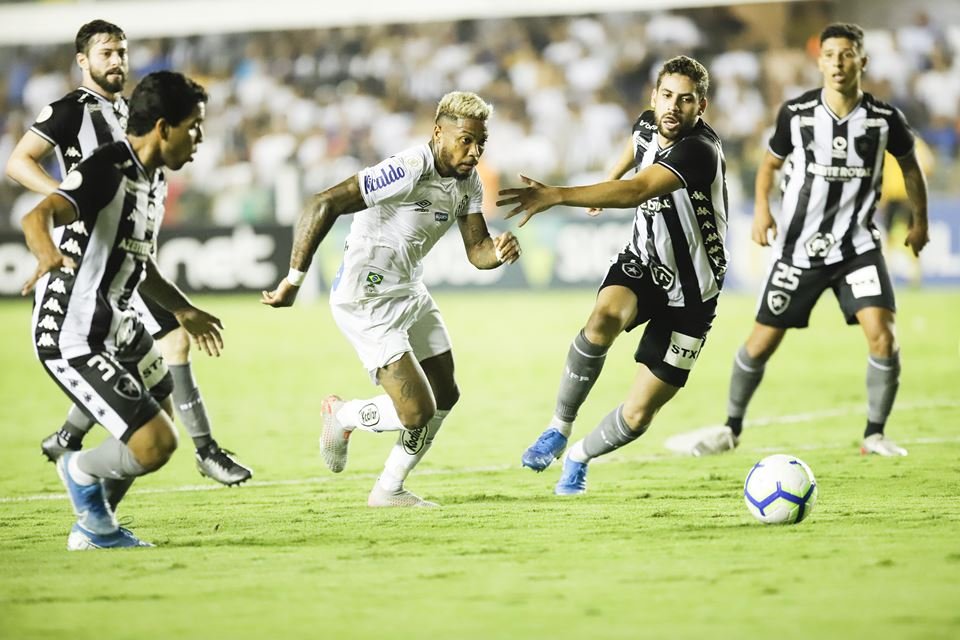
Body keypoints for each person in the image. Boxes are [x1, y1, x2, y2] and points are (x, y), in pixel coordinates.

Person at [5, 20, 251, 485]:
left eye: (122, 52)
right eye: (106, 53)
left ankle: (69, 442)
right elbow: (18, 162)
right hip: (90, 249)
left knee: (128, 357)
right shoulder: (70, 110)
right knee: (161, 342)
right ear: (83, 61)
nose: (117, 61)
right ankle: (203, 451)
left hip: (125, 244)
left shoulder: (132, 114)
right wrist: (71, 197)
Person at [669, 23, 929, 457]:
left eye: (847, 54)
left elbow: (911, 168)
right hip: (799, 250)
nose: (838, 62)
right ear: (820, 61)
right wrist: (763, 211)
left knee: (883, 335)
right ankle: (729, 429)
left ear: (862, 60)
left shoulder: (885, 120)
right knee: (760, 343)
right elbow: (770, 165)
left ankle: (875, 434)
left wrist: (920, 221)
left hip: (858, 248)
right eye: (830, 54)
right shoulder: (798, 113)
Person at [262, 91, 520, 507]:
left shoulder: (467, 181)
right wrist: (293, 280)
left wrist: (499, 251)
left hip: (409, 290)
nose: (474, 152)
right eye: (466, 141)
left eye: (480, 143)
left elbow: (478, 252)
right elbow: (323, 203)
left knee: (446, 395)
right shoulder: (408, 168)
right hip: (366, 300)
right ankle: (342, 415)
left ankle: (389, 489)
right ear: (438, 133)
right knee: (417, 411)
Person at [497, 55, 728, 495]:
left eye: (685, 100)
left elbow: (639, 190)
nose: (672, 107)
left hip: (695, 292)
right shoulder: (648, 122)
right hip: (643, 261)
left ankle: (580, 455)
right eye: (666, 96)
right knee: (603, 316)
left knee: (640, 413)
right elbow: (636, 146)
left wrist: (559, 195)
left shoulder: (699, 150)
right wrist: (609, 177)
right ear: (653, 96)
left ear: (702, 106)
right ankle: (558, 428)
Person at [21, 71, 223, 549]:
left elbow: (138, 259)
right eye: (193, 126)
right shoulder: (105, 169)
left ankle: (96, 523)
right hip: (72, 333)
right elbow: (38, 214)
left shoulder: (151, 178)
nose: (200, 137)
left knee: (160, 423)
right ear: (162, 128)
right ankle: (78, 473)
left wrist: (183, 309)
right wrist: (47, 253)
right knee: (155, 444)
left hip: (118, 324)